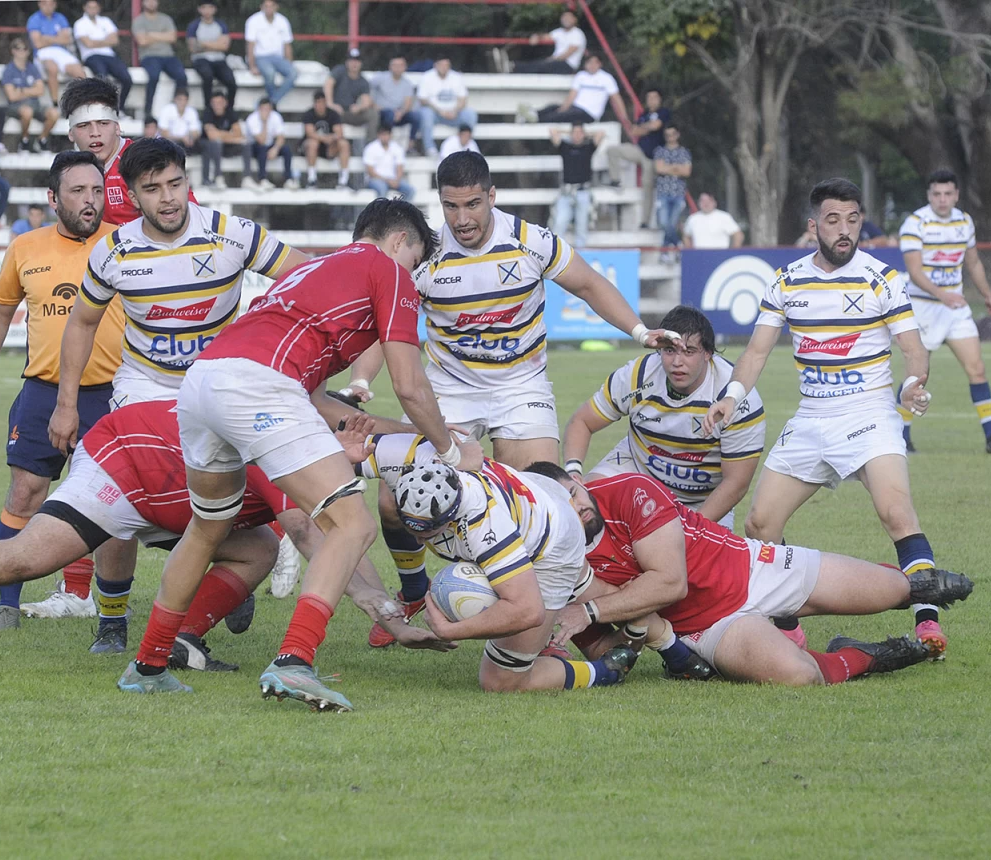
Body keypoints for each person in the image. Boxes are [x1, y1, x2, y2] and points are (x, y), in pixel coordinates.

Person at [118, 199, 483, 708]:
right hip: (258, 387)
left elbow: (314, 400)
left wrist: (409, 431)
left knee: (207, 528)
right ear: (401, 241)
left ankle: (149, 664)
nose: (413, 277)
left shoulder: (312, 270)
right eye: (416, 261)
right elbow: (408, 381)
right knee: (352, 525)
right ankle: (295, 661)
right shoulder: (388, 269)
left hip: (204, 382)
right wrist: (450, 447)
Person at [343, 153, 678, 646]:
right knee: (395, 499)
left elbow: (587, 283)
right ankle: (414, 589)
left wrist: (640, 329)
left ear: (492, 196)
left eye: (473, 204)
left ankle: (570, 624)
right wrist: (360, 383)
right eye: (451, 206)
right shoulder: (427, 254)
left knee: (549, 509)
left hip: (520, 387)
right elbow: (385, 328)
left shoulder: (530, 241)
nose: (463, 218)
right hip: (450, 391)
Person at [0, 402, 448, 662]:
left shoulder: (317, 452)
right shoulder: (292, 444)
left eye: (370, 446)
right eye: (357, 434)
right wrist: (383, 611)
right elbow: (315, 534)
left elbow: (326, 528)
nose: (362, 445)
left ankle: (184, 640)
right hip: (129, 463)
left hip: (173, 487)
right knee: (28, 558)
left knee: (255, 549)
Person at [702, 177, 948, 656]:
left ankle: (927, 623)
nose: (844, 230)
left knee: (896, 513)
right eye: (834, 220)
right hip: (813, 417)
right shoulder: (787, 280)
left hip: (870, 412)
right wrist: (731, 395)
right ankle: (790, 628)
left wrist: (912, 383)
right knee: (760, 524)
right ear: (814, 225)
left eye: (853, 220)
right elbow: (755, 352)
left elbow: (914, 351)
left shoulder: (881, 277)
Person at [527, 463, 974, 685]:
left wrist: (589, 609)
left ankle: (911, 586)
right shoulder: (556, 561)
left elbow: (669, 582)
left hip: (751, 567)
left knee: (890, 589)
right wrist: (630, 640)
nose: (578, 504)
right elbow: (611, 648)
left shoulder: (627, 491)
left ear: (577, 479)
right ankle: (863, 655)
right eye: (563, 504)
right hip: (706, 627)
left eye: (574, 491)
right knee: (798, 676)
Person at [0, 151, 124, 631]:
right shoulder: (26, 247)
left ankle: (113, 612)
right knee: (25, 492)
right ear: (53, 197)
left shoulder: (125, 244)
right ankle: (6, 607)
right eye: (78, 191)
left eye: (97, 191)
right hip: (43, 392)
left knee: (117, 501)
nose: (90, 200)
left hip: (114, 394)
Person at [49, 137, 304, 436]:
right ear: (132, 197)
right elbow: (81, 324)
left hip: (220, 381)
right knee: (141, 477)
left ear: (187, 182)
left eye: (175, 183)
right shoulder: (113, 251)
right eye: (152, 189)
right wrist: (66, 406)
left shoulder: (232, 234)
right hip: (145, 386)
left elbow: (313, 278)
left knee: (241, 478)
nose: (168, 197)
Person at [393, 459, 640, 692]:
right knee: (591, 589)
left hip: (554, 546)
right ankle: (666, 641)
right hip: (536, 497)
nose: (417, 540)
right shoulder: (427, 464)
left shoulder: (483, 527)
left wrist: (451, 631)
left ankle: (605, 672)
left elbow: (528, 611)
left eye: (427, 533)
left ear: (453, 513)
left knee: (501, 680)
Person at [562, 305, 765, 530]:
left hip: (701, 499)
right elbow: (582, 422)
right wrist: (573, 473)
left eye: (689, 351)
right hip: (637, 468)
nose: (677, 361)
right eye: (670, 350)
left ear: (708, 353)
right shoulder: (637, 376)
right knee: (580, 510)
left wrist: (687, 530)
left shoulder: (736, 399)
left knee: (688, 559)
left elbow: (735, 484)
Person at [897, 168, 991, 454]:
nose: (942, 199)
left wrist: (989, 296)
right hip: (924, 307)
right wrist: (943, 295)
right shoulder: (915, 223)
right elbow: (915, 272)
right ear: (929, 196)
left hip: (955, 309)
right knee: (916, 375)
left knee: (976, 368)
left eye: (948, 194)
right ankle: (902, 436)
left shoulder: (964, 221)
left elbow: (974, 263)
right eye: (937, 194)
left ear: (956, 195)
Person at [59, 76, 196, 227]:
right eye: (84, 125)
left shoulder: (147, 161)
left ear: (117, 127)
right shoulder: (70, 173)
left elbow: (192, 219)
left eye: (103, 123)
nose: (95, 132)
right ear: (71, 133)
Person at [605, 88, 669, 228]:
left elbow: (656, 126)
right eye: (649, 97)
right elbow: (634, 130)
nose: (651, 100)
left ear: (659, 99)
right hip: (639, 150)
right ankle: (615, 180)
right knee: (613, 151)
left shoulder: (664, 112)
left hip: (653, 157)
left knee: (647, 186)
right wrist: (648, 127)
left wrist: (645, 128)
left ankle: (645, 221)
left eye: (654, 97)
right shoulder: (644, 114)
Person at [526, 55, 629, 128]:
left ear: (600, 64)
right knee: (552, 107)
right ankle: (532, 114)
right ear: (585, 64)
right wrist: (563, 108)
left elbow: (616, 98)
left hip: (589, 114)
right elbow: (572, 95)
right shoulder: (581, 75)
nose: (592, 65)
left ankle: (533, 120)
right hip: (575, 108)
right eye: (589, 62)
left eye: (595, 62)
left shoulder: (607, 78)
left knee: (561, 115)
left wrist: (624, 117)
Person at [73, 0, 132, 117]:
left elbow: (115, 40)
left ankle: (120, 108)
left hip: (109, 55)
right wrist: (105, 41)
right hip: (91, 56)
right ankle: (105, 107)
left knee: (127, 79)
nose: (92, 10)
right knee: (102, 78)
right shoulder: (79, 23)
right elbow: (88, 44)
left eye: (95, 7)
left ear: (99, 8)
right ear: (84, 8)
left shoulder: (105, 21)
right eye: (90, 7)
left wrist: (94, 41)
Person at [550, 122, 604, 250]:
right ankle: (556, 255)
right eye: (574, 132)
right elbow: (553, 131)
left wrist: (584, 134)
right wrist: (568, 133)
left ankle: (581, 255)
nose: (577, 135)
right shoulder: (565, 147)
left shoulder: (588, 147)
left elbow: (600, 133)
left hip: (583, 191)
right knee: (559, 223)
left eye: (580, 133)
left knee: (582, 226)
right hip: (567, 192)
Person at [2, 36, 59, 154]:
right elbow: (11, 96)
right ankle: (24, 141)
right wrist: (31, 90)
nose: (22, 51)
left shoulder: (32, 68)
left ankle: (42, 139)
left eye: (25, 49)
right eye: (18, 48)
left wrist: (21, 91)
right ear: (13, 51)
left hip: (35, 104)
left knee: (54, 113)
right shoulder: (9, 70)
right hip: (16, 106)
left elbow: (40, 90)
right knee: (27, 112)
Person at [132, 0, 187, 120]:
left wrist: (150, 34)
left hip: (168, 55)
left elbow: (172, 37)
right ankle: (148, 110)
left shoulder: (166, 19)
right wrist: (163, 35)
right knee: (153, 76)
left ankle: (176, 109)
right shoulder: (139, 20)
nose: (151, 3)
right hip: (149, 56)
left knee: (182, 76)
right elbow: (142, 41)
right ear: (143, 3)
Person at [26, 0, 85, 106]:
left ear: (55, 5)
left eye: (51, 4)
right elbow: (38, 44)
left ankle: (81, 102)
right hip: (43, 52)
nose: (48, 7)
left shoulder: (60, 18)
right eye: (45, 4)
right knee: (52, 68)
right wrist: (57, 38)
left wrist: (47, 38)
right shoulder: (34, 19)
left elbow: (67, 40)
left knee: (79, 71)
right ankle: (55, 103)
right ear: (40, 4)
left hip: (61, 51)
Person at [416, 57, 476, 158]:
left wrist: (455, 111)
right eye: (442, 65)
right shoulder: (427, 77)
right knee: (425, 113)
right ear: (436, 65)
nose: (444, 68)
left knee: (470, 114)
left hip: (454, 113)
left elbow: (463, 99)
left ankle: (466, 145)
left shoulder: (456, 77)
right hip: (435, 113)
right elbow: (423, 100)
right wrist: (440, 111)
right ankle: (430, 148)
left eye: (446, 65)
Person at [244, 0, 296, 106]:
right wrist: (252, 65)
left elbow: (287, 45)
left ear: (276, 7)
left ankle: (271, 102)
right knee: (270, 73)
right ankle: (271, 104)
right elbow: (250, 45)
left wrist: (289, 63)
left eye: (271, 6)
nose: (269, 8)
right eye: (266, 6)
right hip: (260, 57)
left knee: (293, 73)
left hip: (278, 58)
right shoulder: (253, 21)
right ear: (261, 7)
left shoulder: (283, 21)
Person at [324, 49, 378, 147]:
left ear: (361, 63)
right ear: (347, 62)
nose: (354, 63)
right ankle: (331, 147)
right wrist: (331, 104)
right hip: (335, 110)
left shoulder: (363, 81)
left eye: (357, 60)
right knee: (331, 114)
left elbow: (366, 101)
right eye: (352, 60)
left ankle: (371, 146)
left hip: (350, 112)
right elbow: (328, 84)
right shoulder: (339, 71)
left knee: (372, 113)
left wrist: (359, 108)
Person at [187, 2, 236, 107]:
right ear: (199, 9)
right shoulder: (194, 25)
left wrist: (203, 43)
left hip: (219, 59)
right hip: (200, 59)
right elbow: (193, 48)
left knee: (231, 82)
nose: (207, 11)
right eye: (204, 7)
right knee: (207, 76)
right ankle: (208, 108)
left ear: (214, 9)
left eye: (210, 7)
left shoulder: (221, 25)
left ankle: (229, 109)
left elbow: (225, 46)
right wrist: (216, 44)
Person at [244, 96, 296, 190]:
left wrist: (275, 149)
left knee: (286, 149)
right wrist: (264, 122)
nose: (266, 112)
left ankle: (288, 179)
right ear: (259, 109)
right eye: (263, 109)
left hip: (270, 146)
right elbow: (261, 140)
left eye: (268, 109)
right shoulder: (252, 119)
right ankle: (262, 179)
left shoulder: (276, 116)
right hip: (254, 148)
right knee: (262, 148)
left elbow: (281, 137)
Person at [514, 9, 586, 75]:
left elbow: (567, 54)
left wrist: (552, 59)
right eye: (564, 16)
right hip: (557, 61)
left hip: (568, 65)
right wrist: (537, 36)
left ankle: (513, 67)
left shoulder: (577, 34)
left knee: (541, 65)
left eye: (568, 17)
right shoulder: (560, 31)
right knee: (539, 63)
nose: (566, 19)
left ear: (575, 19)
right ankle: (513, 66)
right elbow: (546, 37)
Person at [653, 123, 690, 251]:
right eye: (667, 135)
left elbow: (687, 172)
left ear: (678, 135)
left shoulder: (684, 152)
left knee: (672, 224)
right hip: (663, 192)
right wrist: (677, 167)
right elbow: (659, 169)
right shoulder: (660, 151)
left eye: (672, 134)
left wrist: (667, 168)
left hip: (678, 193)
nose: (670, 137)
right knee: (664, 223)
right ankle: (678, 244)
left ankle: (665, 252)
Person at [300, 91, 349, 188]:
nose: (320, 105)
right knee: (312, 143)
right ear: (314, 103)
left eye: (322, 102)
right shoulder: (309, 114)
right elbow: (310, 133)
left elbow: (339, 132)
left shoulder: (333, 114)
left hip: (330, 147)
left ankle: (343, 180)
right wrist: (324, 138)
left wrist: (331, 138)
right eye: (318, 102)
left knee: (344, 144)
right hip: (312, 148)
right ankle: (312, 179)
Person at [372, 55, 419, 150]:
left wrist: (401, 112)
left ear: (405, 67)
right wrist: (375, 105)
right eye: (395, 65)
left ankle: (411, 145)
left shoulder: (407, 84)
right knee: (389, 114)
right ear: (390, 66)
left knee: (416, 117)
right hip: (383, 111)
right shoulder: (380, 79)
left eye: (400, 65)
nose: (398, 68)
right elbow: (366, 91)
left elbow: (408, 102)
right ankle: (388, 143)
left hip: (399, 113)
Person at [199, 88, 244, 189]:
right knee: (216, 143)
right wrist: (230, 135)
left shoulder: (230, 112)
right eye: (214, 103)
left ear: (225, 102)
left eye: (219, 102)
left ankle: (248, 178)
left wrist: (219, 134)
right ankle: (217, 176)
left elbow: (239, 134)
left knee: (246, 144)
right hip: (209, 148)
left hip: (225, 147)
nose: (217, 105)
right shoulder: (208, 113)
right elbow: (212, 136)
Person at [363, 123, 413, 201]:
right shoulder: (371, 148)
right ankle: (382, 213)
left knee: (410, 190)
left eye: (386, 134)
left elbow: (400, 167)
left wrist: (397, 180)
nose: (385, 137)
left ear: (390, 135)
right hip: (376, 180)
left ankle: (401, 212)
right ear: (378, 135)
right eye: (382, 135)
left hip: (393, 179)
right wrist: (387, 181)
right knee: (382, 189)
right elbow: (370, 171)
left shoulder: (396, 148)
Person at [156, 88, 201, 152]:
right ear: (175, 100)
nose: (182, 102)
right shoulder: (166, 110)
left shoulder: (192, 111)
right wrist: (181, 138)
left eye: (184, 100)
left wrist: (190, 138)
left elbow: (195, 133)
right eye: (180, 99)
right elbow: (164, 134)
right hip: (168, 143)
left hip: (185, 143)